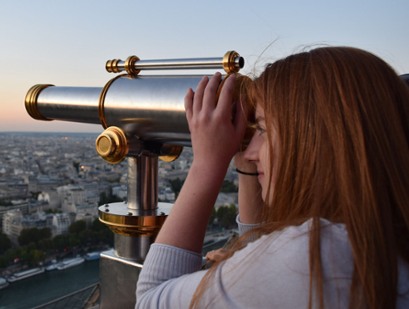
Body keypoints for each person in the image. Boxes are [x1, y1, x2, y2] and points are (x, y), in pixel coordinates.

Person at [135, 47, 409, 308]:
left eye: (262, 129)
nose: (252, 151)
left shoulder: (313, 258)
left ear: (312, 139)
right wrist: (245, 170)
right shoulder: (379, 237)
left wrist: (207, 164)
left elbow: (151, 300)